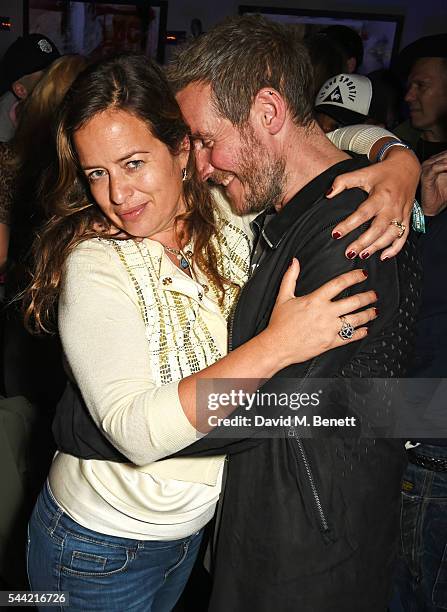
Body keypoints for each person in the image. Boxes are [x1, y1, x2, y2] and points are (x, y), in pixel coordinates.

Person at [24, 54, 380, 612]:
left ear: (183, 147)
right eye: (98, 173)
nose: (117, 195)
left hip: (187, 536)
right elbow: (136, 432)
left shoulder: (228, 211)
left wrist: (397, 158)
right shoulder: (95, 262)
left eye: (135, 163)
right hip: (93, 545)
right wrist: (278, 344)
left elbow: (321, 135)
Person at [166, 15, 422, 611]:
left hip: (309, 547)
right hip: (287, 517)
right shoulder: (300, 209)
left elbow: (294, 406)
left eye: (207, 140)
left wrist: (113, 429)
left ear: (268, 112)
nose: (202, 166)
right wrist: (394, 147)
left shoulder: (352, 227)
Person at [0, 34, 60, 142]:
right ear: (21, 90)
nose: (58, 79)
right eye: (47, 75)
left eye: (58, 70)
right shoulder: (4, 135)